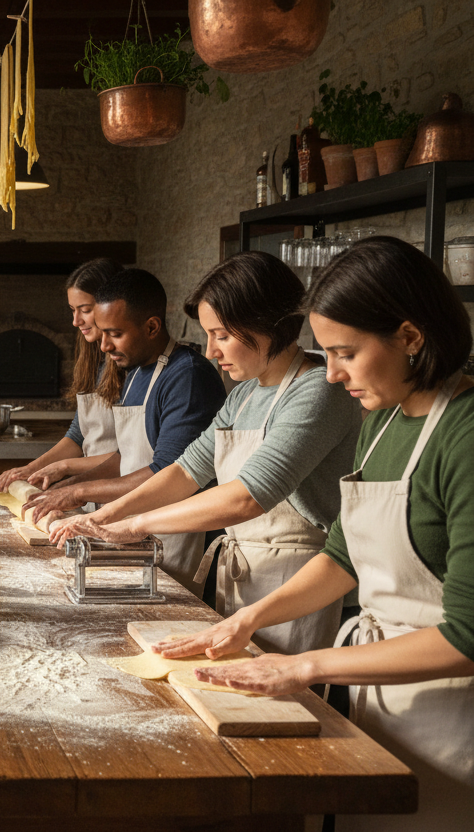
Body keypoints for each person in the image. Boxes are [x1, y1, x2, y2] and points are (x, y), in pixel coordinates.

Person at [154, 238, 474, 830]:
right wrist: (247, 621)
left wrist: (304, 666)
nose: (331, 374)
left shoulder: (465, 435)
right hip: (379, 702)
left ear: (410, 337)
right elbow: (344, 556)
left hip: (452, 715)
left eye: (345, 353)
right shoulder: (384, 420)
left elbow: (467, 636)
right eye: (326, 353)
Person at [50, 252, 361, 654]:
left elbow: (248, 496)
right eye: (209, 335)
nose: (212, 351)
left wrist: (135, 525)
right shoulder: (244, 395)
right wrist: (105, 515)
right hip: (242, 579)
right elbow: (185, 470)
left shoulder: (318, 390)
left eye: (222, 335)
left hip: (299, 586)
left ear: (267, 324)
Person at [22, 268, 226, 594]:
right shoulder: (136, 372)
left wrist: (79, 493)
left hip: (171, 537)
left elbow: (168, 472)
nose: (104, 345)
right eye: (102, 333)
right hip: (129, 528)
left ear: (152, 327)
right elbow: (125, 458)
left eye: (115, 334)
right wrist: (68, 487)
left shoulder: (186, 377)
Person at [0, 258, 125, 494]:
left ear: (111, 305)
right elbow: (78, 435)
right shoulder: (94, 360)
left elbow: (130, 457)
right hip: (93, 492)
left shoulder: (130, 365)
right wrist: (31, 468)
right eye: (73, 310)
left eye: (85, 310)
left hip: (122, 492)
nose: (76, 321)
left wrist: (64, 467)